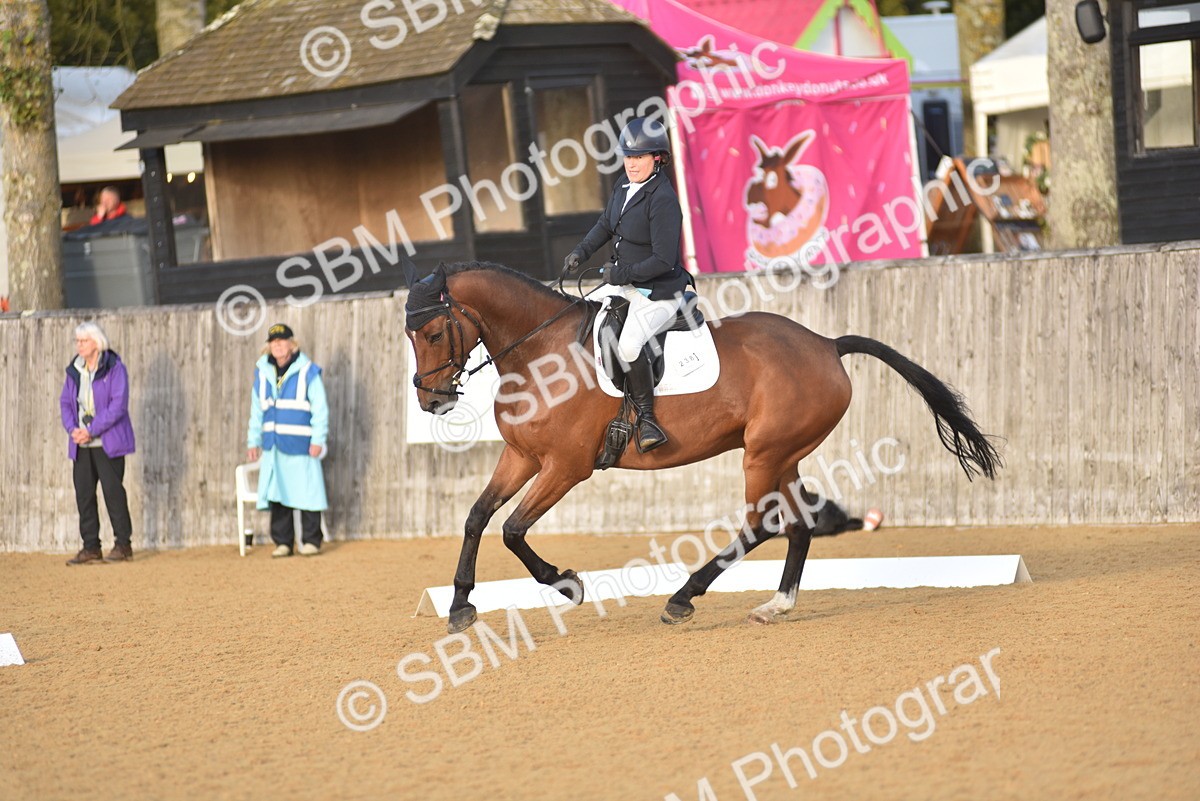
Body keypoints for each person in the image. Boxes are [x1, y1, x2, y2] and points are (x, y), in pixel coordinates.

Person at [563, 115, 693, 453]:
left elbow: (664, 260)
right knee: (587, 326)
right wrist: (581, 251)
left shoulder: (662, 199)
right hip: (626, 284)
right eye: (628, 156)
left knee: (629, 346)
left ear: (657, 158)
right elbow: (606, 224)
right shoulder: (623, 185)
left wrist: (621, 274)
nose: (631, 163)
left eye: (639, 157)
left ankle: (647, 418)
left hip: (661, 290)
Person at [246, 323, 329, 557]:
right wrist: (253, 441)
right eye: (274, 342)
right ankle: (283, 542)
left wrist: (318, 438)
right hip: (274, 443)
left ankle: (311, 540)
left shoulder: (307, 371)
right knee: (278, 493)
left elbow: (320, 409)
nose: (278, 346)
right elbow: (256, 411)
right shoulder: (262, 373)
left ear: (292, 344)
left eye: (282, 341)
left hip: (301, 443)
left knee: (307, 492)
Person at [59, 322, 136, 564]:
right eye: (77, 341)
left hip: (108, 442)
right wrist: (73, 429)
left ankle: (123, 545)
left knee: (113, 493)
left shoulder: (114, 368)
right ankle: (91, 546)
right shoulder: (74, 370)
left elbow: (117, 406)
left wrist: (91, 430)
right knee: (84, 494)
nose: (78, 345)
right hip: (81, 444)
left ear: (96, 342)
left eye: (83, 341)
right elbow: (65, 403)